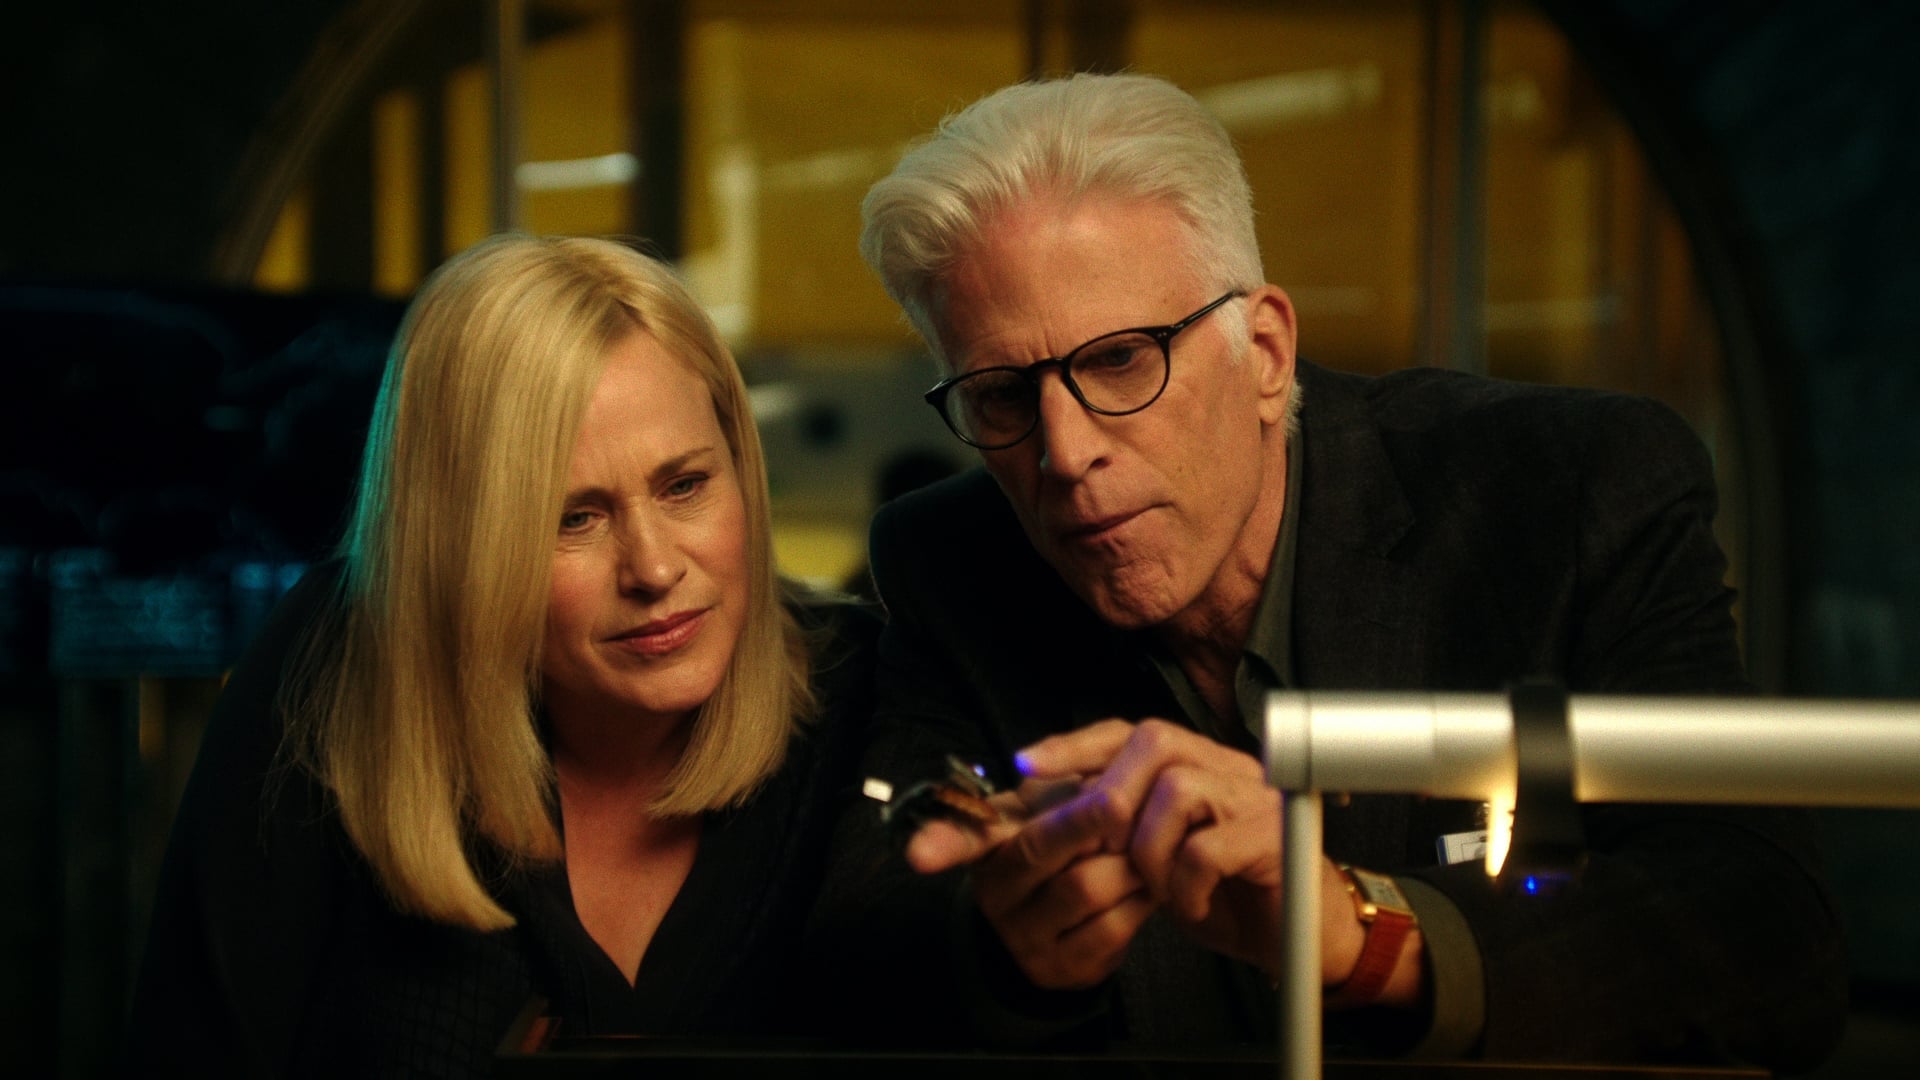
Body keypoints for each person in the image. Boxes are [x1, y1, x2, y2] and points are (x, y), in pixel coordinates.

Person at [825, 72, 1846, 1069]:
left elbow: (1764, 933)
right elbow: (870, 921)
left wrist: (1364, 935)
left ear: (1266, 353)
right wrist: (1007, 950)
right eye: (1003, 395)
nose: (1065, 452)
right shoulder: (951, 561)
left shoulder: (1563, 492)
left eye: (1122, 360)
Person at [127, 235, 877, 1075]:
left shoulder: (864, 688)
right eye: (573, 518)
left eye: (685, 486)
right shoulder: (328, 669)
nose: (655, 568)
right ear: (461, 543)